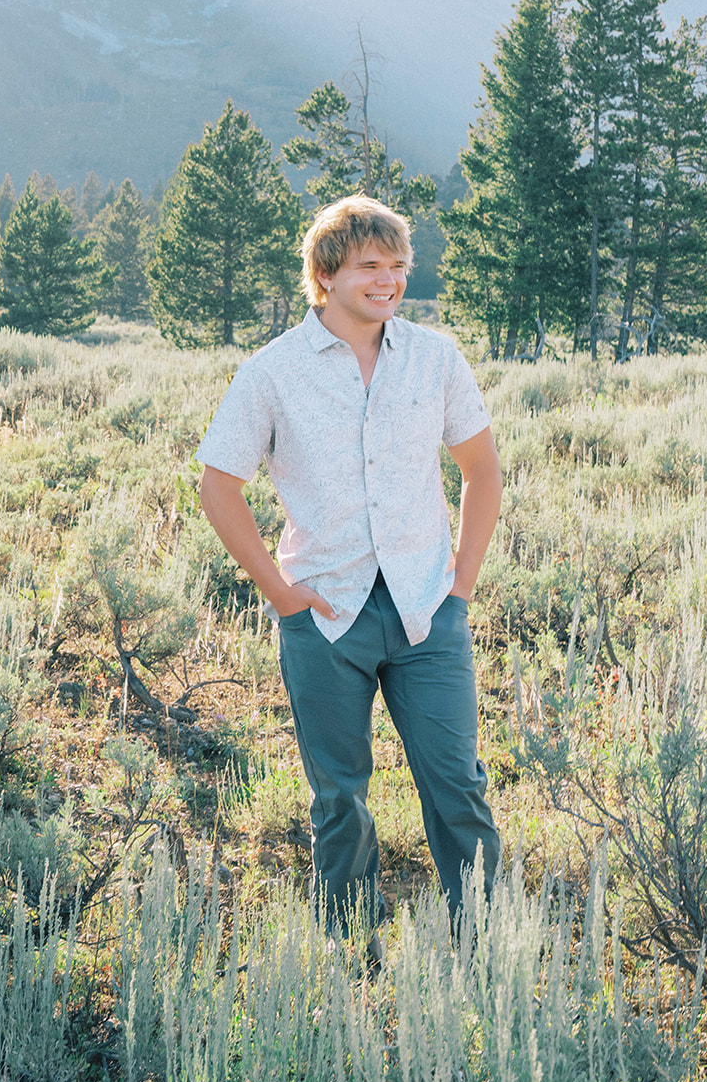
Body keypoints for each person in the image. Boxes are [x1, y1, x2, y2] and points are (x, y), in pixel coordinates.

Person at [197, 195, 502, 952]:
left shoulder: (436, 359)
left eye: (398, 266)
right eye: (370, 266)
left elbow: (482, 472)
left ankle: (484, 952)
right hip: (324, 615)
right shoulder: (272, 372)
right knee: (340, 800)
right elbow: (218, 485)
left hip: (427, 611)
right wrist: (279, 594)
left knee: (458, 787)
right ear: (327, 274)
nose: (389, 280)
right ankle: (349, 956)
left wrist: (460, 588)